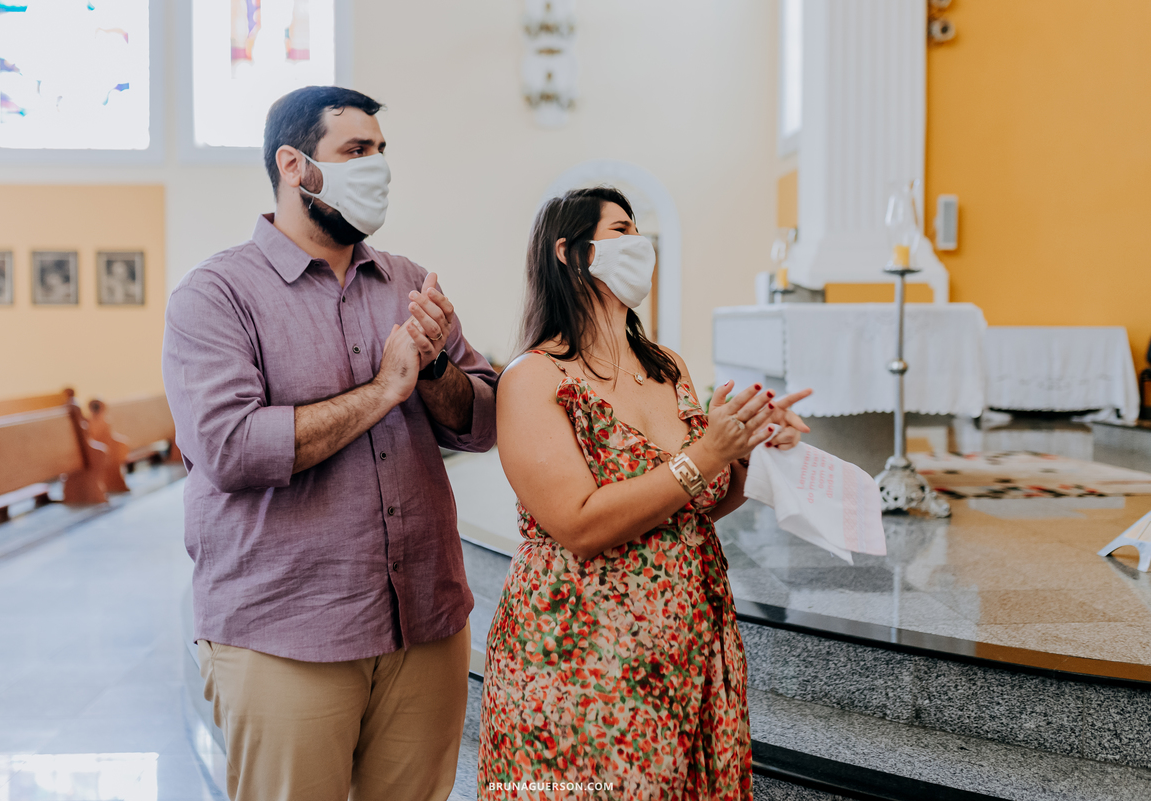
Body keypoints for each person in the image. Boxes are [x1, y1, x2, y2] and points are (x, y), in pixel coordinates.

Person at [162, 86, 498, 801]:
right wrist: (381, 392)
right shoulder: (215, 296)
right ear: (293, 165)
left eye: (381, 152)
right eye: (355, 151)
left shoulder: (407, 281)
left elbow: (481, 421)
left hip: (424, 625)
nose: (376, 167)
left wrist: (434, 367)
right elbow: (229, 447)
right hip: (285, 632)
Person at [478, 187, 811, 799]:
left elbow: (701, 503)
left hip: (684, 635)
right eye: (622, 230)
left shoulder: (666, 366)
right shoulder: (533, 379)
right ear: (569, 252)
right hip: (584, 650)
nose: (641, 246)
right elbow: (578, 524)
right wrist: (703, 455)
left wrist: (747, 447)